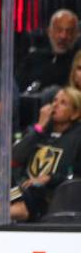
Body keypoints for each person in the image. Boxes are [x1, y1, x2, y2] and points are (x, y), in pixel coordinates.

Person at [10, 87, 81, 222]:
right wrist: (39, 128)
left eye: (63, 103)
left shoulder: (77, 138)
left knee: (22, 204)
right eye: (55, 100)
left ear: (75, 114)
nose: (55, 105)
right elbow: (13, 158)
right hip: (23, 191)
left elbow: (76, 176)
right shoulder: (38, 131)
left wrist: (50, 178)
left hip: (53, 198)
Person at [17, 9, 80, 93]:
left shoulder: (78, 62)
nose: (63, 36)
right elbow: (17, 88)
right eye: (59, 30)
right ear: (49, 31)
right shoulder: (34, 58)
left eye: (69, 31)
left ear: (76, 35)